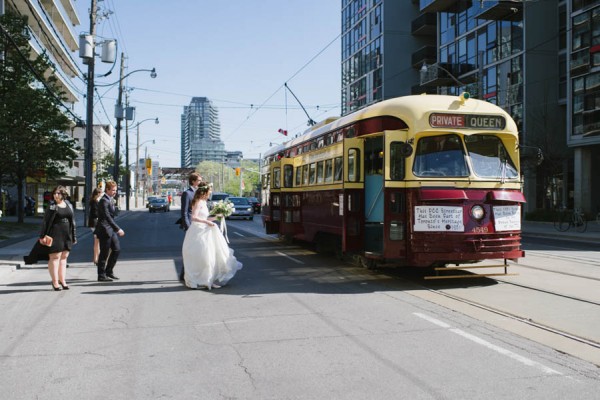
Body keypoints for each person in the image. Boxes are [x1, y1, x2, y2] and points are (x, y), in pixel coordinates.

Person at [182, 182, 242, 290]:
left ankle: (209, 279)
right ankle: (201, 280)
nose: (210, 194)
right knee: (203, 257)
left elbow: (205, 218)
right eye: (209, 192)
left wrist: (216, 217)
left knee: (210, 256)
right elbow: (194, 218)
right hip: (198, 232)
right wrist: (207, 222)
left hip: (205, 231)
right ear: (204, 192)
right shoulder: (198, 202)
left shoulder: (204, 202)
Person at [38, 186, 77, 291]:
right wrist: (42, 236)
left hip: (67, 234)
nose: (56, 195)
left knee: (64, 258)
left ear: (63, 194)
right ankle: (55, 282)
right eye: (54, 193)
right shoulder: (52, 205)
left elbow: (72, 221)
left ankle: (63, 280)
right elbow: (46, 221)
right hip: (54, 234)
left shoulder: (69, 204)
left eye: (58, 193)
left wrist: (74, 236)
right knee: (55, 258)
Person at [95, 181, 125, 282]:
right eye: (113, 190)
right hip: (104, 230)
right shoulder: (104, 201)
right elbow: (107, 217)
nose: (115, 192)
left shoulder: (110, 200)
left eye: (115, 190)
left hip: (110, 229)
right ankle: (101, 275)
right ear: (107, 190)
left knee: (116, 249)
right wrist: (118, 229)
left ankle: (109, 271)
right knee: (104, 253)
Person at [88, 187, 103, 265]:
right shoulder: (95, 202)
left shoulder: (93, 201)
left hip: (93, 223)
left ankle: (96, 259)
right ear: (97, 194)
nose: (101, 195)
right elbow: (95, 213)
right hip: (95, 223)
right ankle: (96, 259)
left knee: (97, 242)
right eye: (100, 193)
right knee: (97, 242)